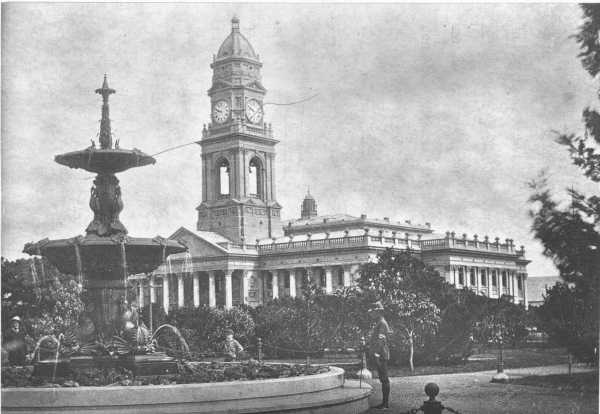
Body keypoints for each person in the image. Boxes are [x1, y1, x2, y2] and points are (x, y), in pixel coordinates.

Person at [368, 301, 392, 410]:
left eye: (373, 312)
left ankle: (385, 404)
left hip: (381, 354)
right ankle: (384, 403)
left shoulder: (382, 323)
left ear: (378, 312)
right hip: (379, 353)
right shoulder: (379, 322)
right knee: (383, 378)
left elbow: (381, 340)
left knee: (384, 378)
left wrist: (377, 354)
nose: (371, 314)